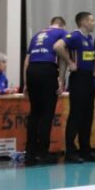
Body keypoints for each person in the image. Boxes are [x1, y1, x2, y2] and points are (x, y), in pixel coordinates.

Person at [23, 17, 69, 165]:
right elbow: (62, 57)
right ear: (62, 25)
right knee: (47, 114)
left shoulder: (37, 35)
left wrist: (26, 83)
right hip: (47, 70)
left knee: (34, 114)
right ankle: (43, 153)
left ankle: (29, 153)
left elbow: (27, 60)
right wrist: (61, 79)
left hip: (32, 71)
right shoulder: (62, 33)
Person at [57, 11, 95, 163]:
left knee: (88, 116)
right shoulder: (75, 36)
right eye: (92, 20)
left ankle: (85, 150)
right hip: (78, 79)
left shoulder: (89, 39)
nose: (94, 23)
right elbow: (58, 46)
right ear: (84, 22)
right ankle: (70, 152)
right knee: (76, 115)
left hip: (89, 80)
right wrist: (70, 63)